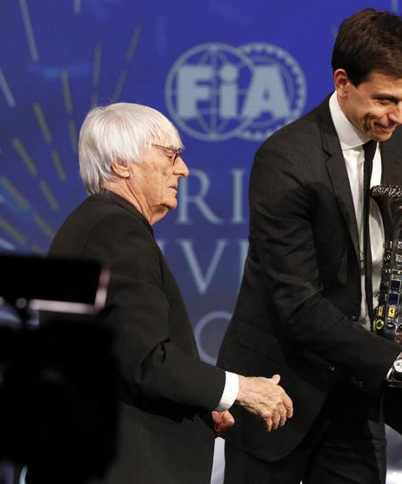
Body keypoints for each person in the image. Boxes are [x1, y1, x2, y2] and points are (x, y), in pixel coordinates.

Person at [216, 8, 402, 483]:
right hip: (282, 389)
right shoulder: (286, 159)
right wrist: (400, 365)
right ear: (343, 81)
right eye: (386, 100)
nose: (398, 116)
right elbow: (298, 305)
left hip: (363, 389)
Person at [48, 103, 293, 484]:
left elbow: (118, 356)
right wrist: (238, 389)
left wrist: (198, 400)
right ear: (120, 164)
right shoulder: (116, 231)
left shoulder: (93, 224)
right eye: (170, 155)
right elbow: (148, 361)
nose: (183, 169)